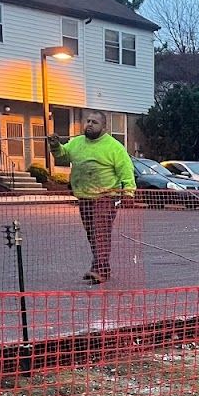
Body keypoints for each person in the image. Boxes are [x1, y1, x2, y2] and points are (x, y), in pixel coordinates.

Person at [47, 111, 135, 284]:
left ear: (104, 127)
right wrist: (56, 146)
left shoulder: (114, 147)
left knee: (100, 232)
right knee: (92, 233)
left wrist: (129, 192)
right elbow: (63, 156)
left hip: (106, 196)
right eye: (87, 121)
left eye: (94, 122)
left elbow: (126, 170)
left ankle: (100, 269)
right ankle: (102, 267)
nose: (89, 124)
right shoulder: (77, 142)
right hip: (84, 196)